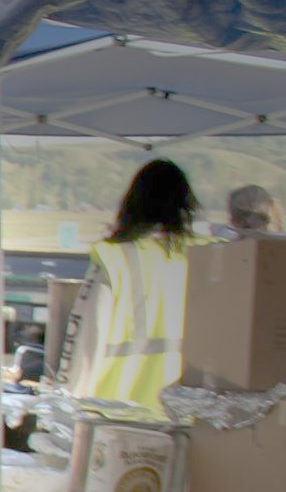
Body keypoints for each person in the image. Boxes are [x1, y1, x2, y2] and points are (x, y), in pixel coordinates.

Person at [64, 159, 203, 408]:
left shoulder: (116, 258)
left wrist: (71, 410)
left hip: (121, 412)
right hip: (190, 417)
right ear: (186, 205)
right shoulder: (207, 256)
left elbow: (87, 343)